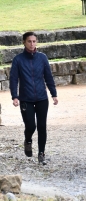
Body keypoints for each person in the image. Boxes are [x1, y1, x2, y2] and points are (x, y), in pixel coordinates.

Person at [9, 32, 59, 165]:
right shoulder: (18, 60)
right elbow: (13, 79)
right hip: (26, 98)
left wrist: (53, 94)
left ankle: (41, 153)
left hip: (42, 97)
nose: (32, 44)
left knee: (42, 126)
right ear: (24, 42)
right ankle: (28, 140)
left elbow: (48, 76)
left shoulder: (42, 58)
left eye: (34, 41)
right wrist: (15, 96)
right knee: (31, 125)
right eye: (29, 41)